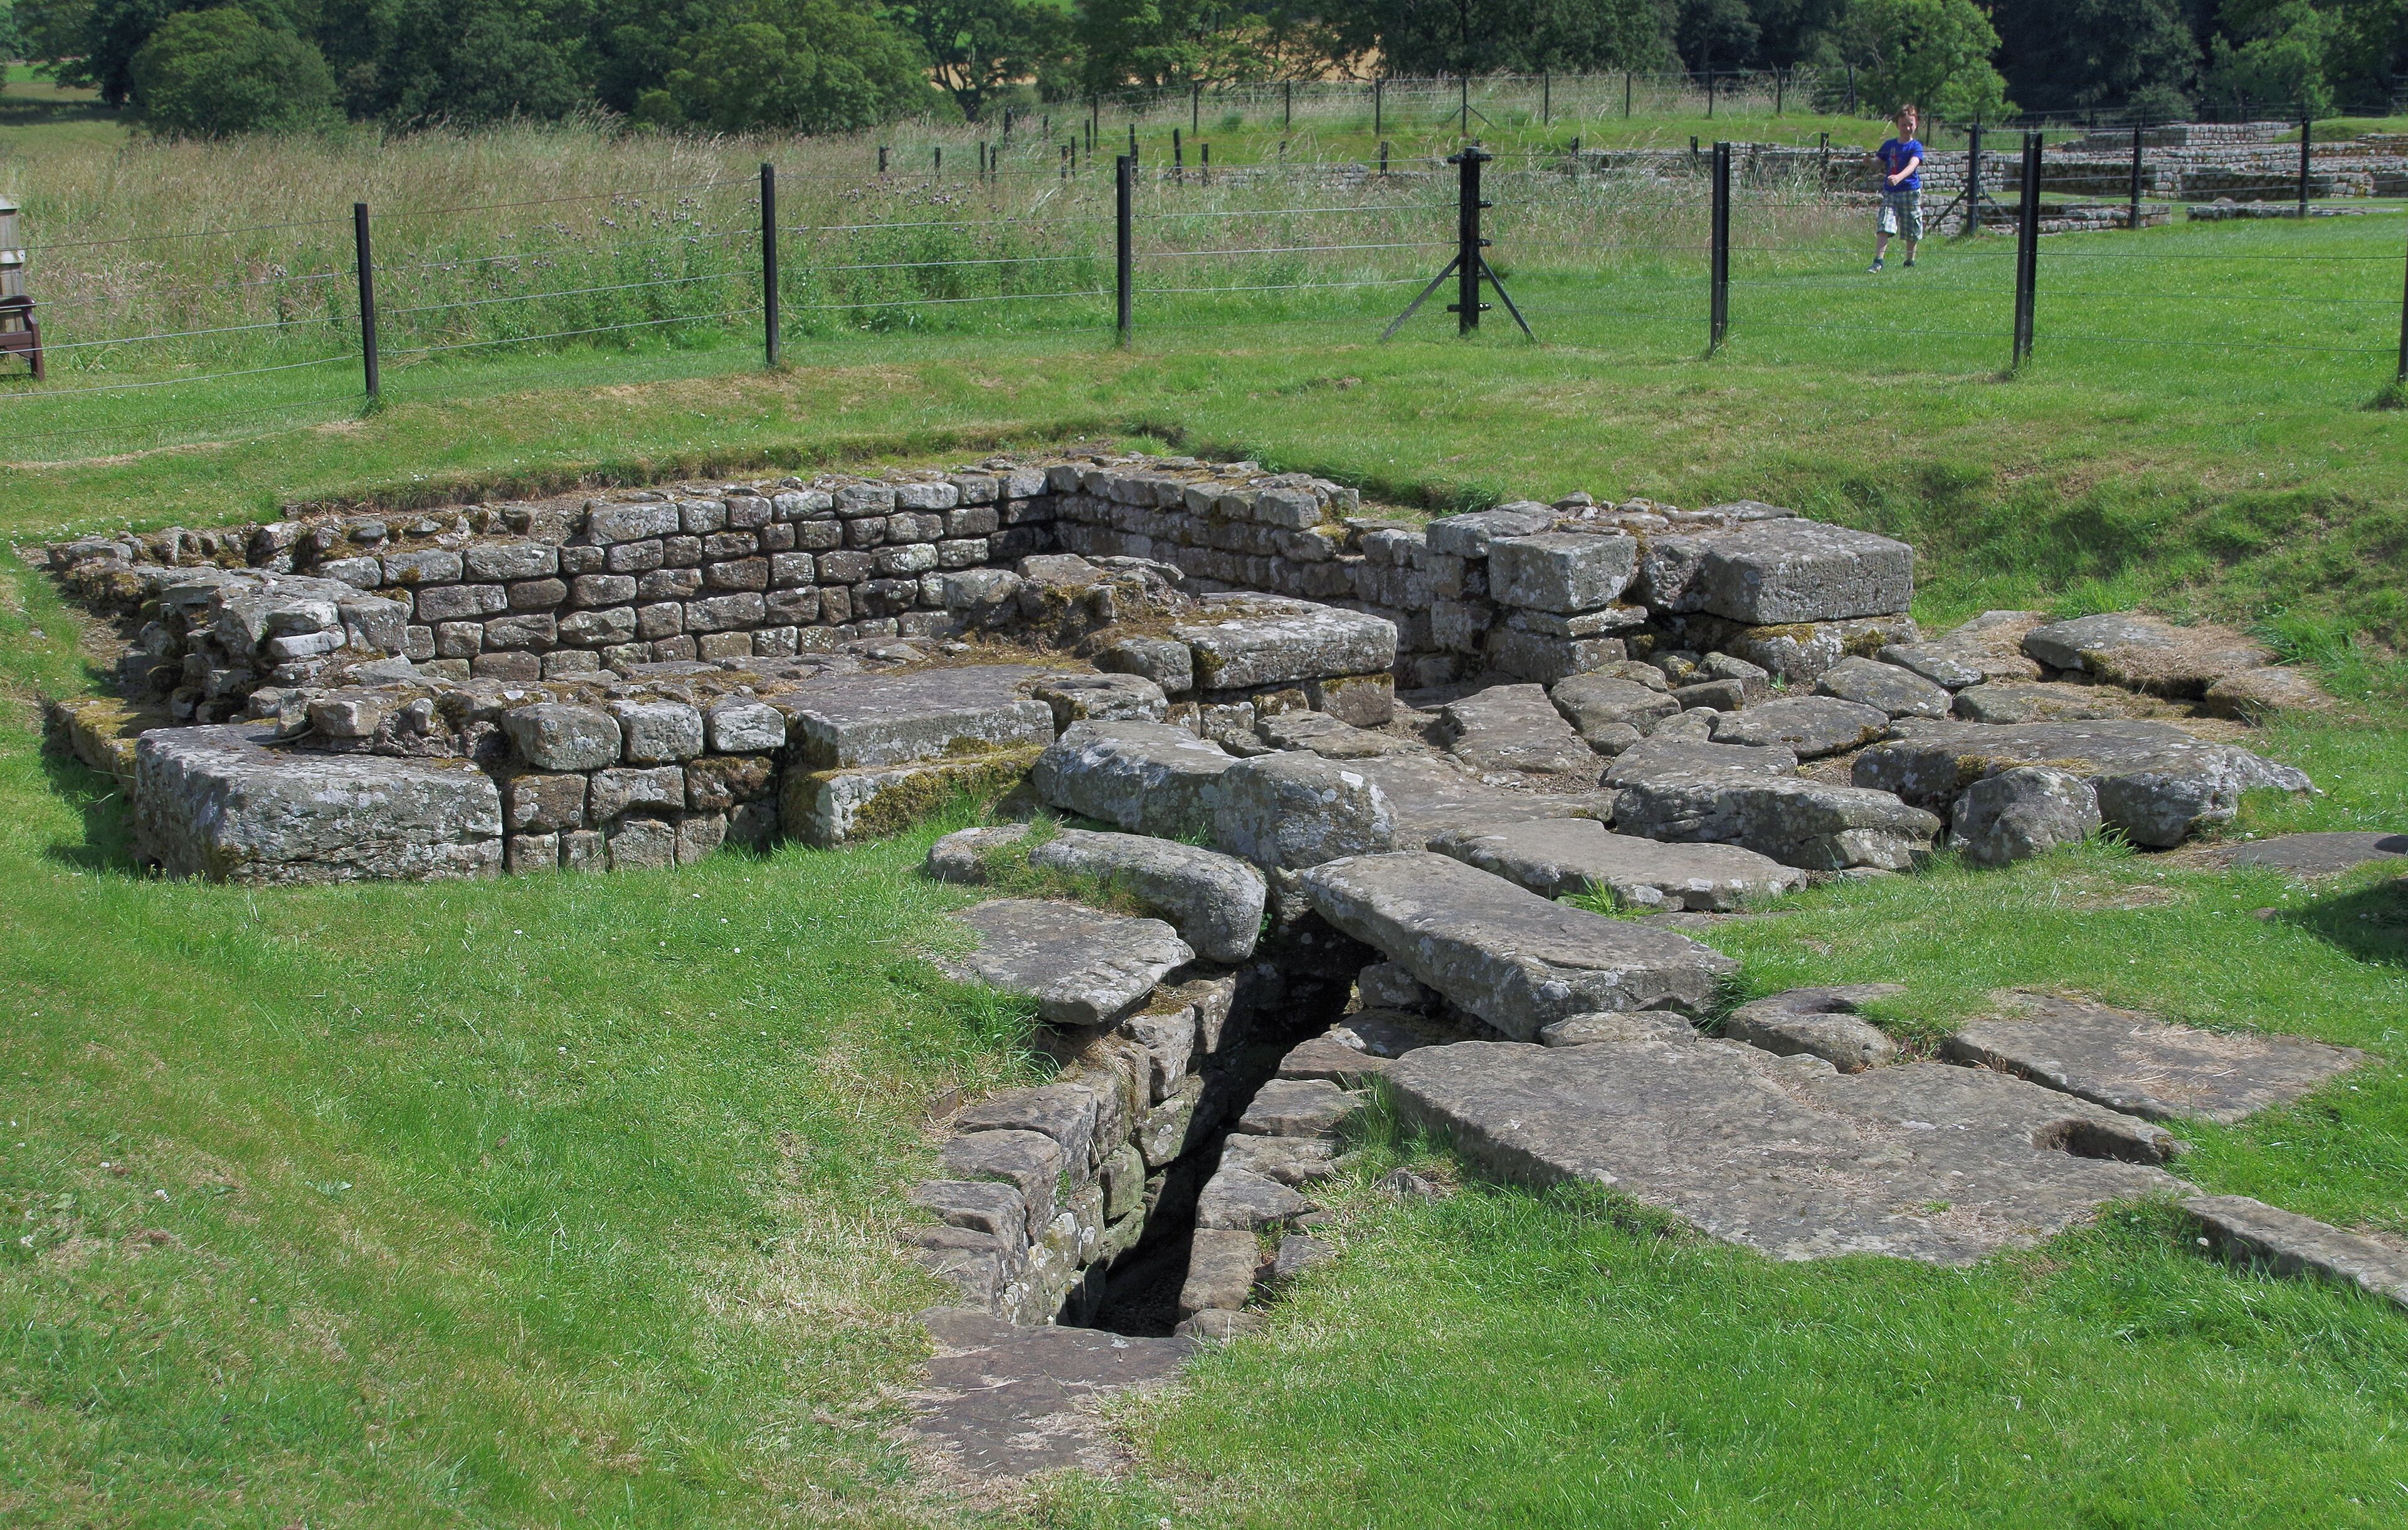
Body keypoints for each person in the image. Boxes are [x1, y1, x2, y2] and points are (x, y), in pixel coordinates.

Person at [1871, 107, 1924, 273]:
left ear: (1916, 124)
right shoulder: (1889, 145)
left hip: (1910, 192)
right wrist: (1869, 163)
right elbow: (1878, 163)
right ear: (1897, 125)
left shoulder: (1916, 146)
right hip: (1891, 193)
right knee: (1884, 224)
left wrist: (1899, 177)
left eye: (1910, 124)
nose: (1907, 128)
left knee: (1911, 227)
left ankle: (1910, 261)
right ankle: (1878, 261)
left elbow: (1913, 165)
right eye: (1903, 125)